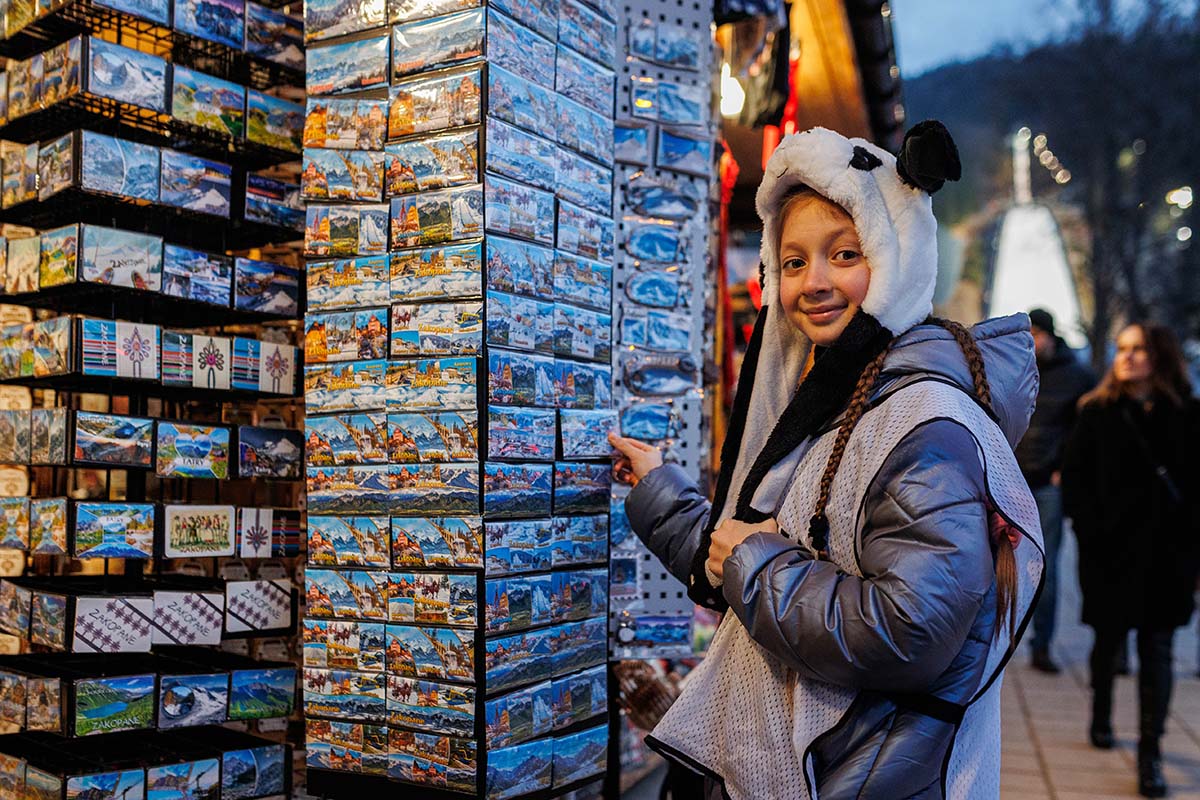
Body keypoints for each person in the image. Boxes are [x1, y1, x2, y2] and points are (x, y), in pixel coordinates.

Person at [609, 123, 1044, 800]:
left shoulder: (922, 425)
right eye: (792, 262)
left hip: (856, 775)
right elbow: (756, 558)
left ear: (896, 258)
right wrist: (660, 489)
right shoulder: (844, 405)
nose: (813, 282)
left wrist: (754, 564)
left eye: (844, 254)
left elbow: (910, 631)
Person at [1061, 322, 1200, 798]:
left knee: (1158, 649)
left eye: (1138, 349)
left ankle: (1150, 752)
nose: (1127, 357)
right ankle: (1101, 712)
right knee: (1107, 641)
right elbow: (1075, 479)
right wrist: (1090, 530)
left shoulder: (1189, 414)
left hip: (1168, 556)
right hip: (1111, 554)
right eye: (1122, 348)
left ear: (1160, 356)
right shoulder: (1096, 411)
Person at [1015, 307, 1095, 673]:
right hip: (1009, 480)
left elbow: (1087, 429)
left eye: (1037, 335)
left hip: (1048, 481)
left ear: (1050, 335)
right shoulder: (1014, 367)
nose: (1032, 342)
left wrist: (1066, 467)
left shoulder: (1077, 376)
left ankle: (1042, 644)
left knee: (1042, 567)